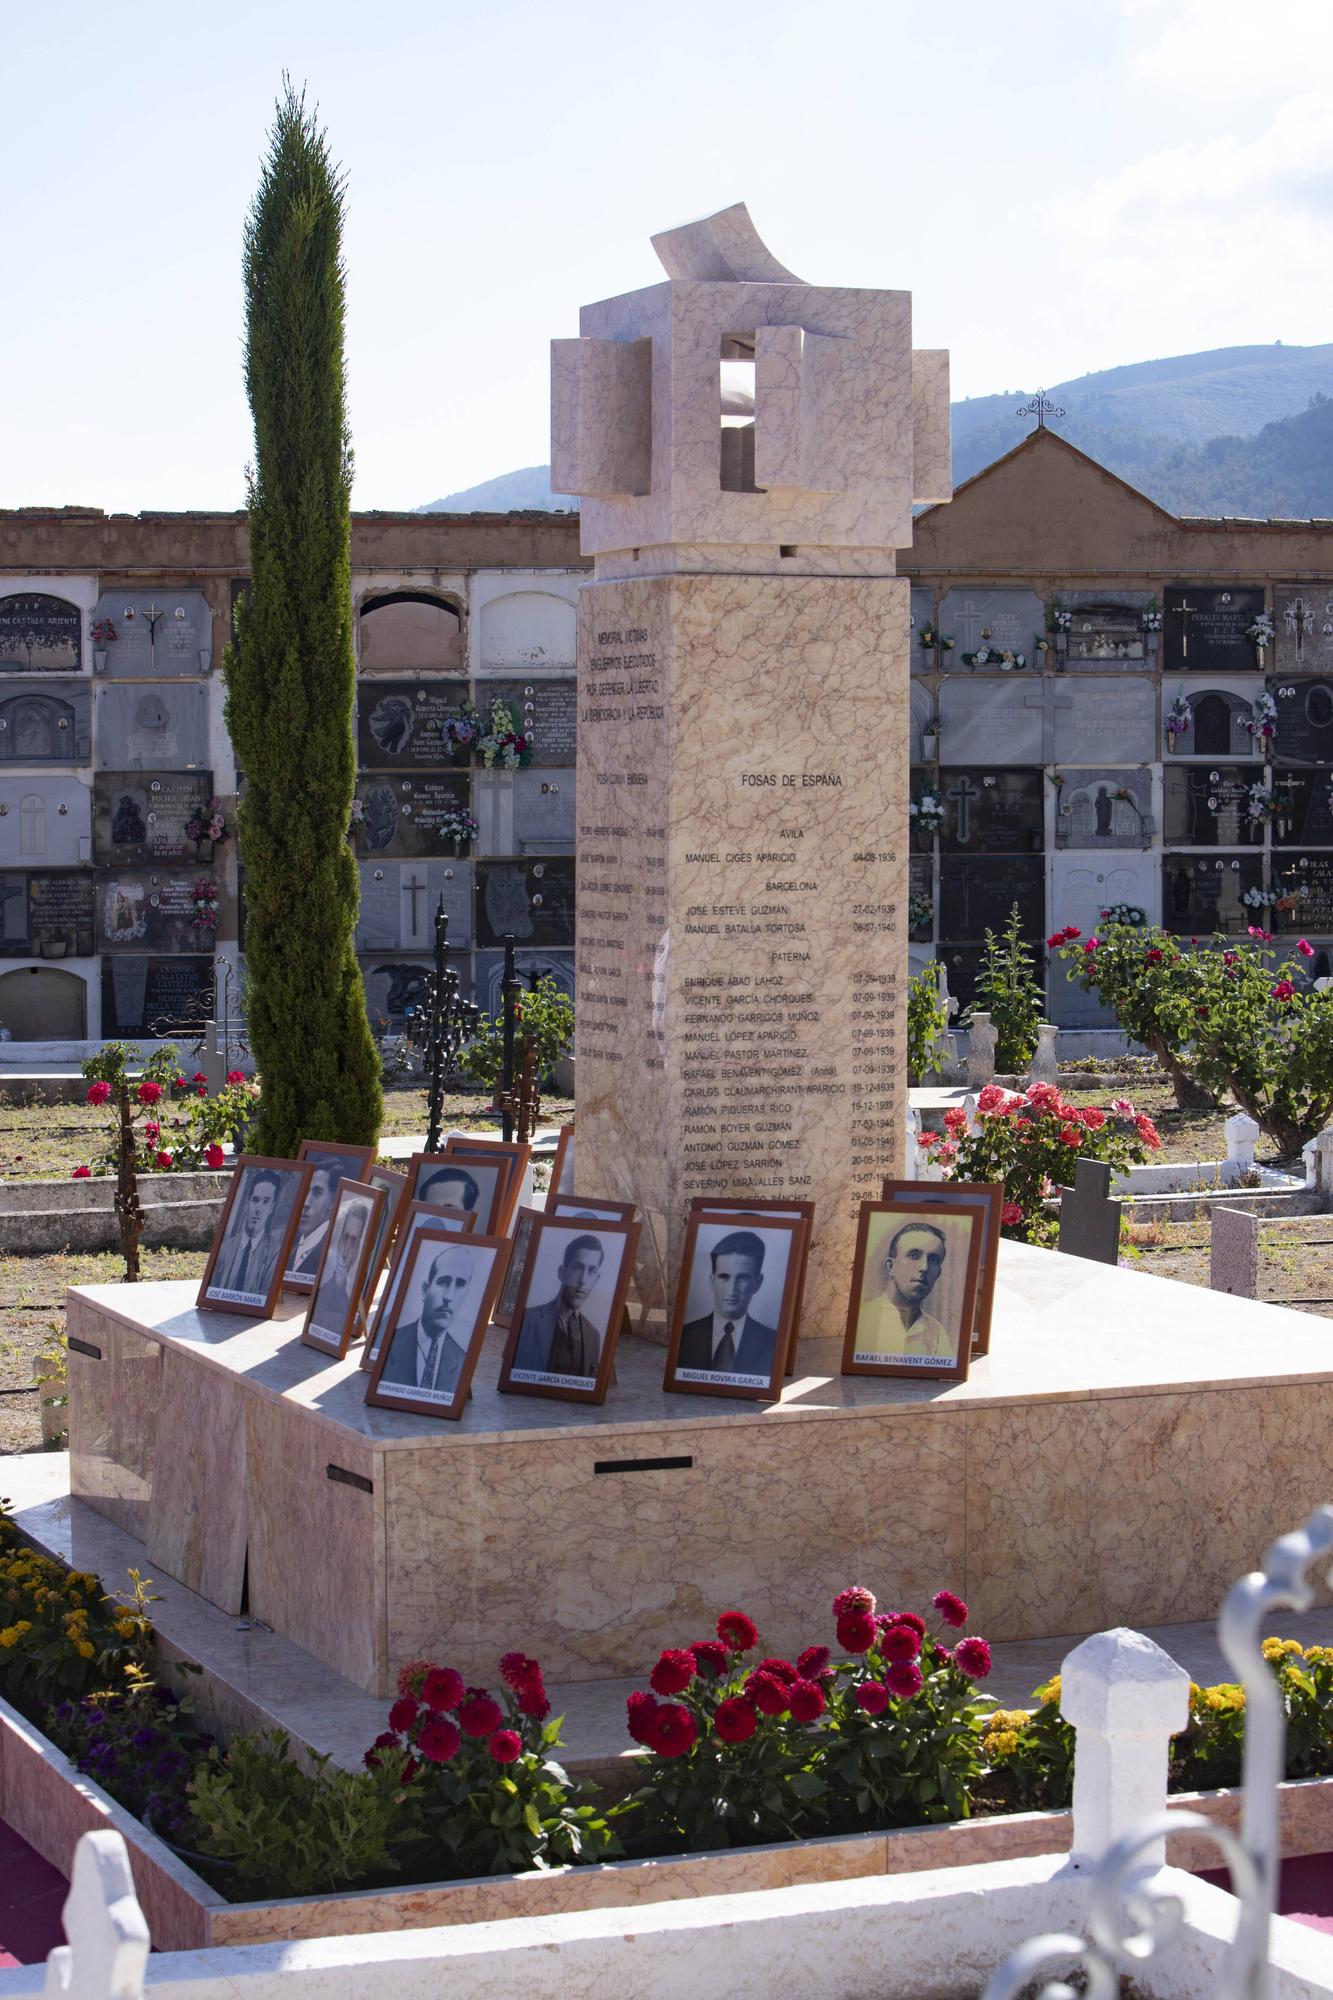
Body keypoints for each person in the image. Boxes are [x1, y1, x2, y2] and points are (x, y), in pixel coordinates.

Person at [677, 1230, 779, 1378]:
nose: (732, 1290)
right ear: (712, 1280)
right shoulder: (684, 1337)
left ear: (758, 1283)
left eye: (742, 1278)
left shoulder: (773, 1343)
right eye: (724, 1277)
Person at [380, 1244, 474, 1395]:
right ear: (425, 1289)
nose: (448, 1297)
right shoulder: (391, 1343)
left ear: (466, 1295)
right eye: (443, 1282)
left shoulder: (462, 1361)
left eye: (460, 1285)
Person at [857, 1222, 954, 1360]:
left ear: (938, 1273)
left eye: (933, 1260)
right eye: (914, 1256)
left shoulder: (937, 1333)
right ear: (891, 1266)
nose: (924, 1267)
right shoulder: (862, 1320)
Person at [513, 1234, 605, 1377]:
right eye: (577, 1268)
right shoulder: (527, 1320)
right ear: (562, 1273)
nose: (583, 1280)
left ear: (596, 1279)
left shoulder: (593, 1335)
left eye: (591, 1271)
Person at [211, 1168, 285, 1300]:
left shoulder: (274, 1254)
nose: (258, 1210)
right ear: (247, 1203)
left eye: (266, 1202)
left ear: (272, 1207)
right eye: (255, 1200)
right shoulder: (225, 1248)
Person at [309, 1202, 369, 1340]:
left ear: (361, 1249)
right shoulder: (321, 1293)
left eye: (354, 1241)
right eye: (345, 1237)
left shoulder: (359, 1294)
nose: (345, 1252)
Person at [288, 1164, 341, 1279]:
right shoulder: (289, 1251)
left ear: (332, 1201)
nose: (306, 1203)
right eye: (305, 1191)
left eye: (317, 1193)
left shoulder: (331, 1256)